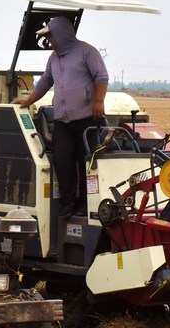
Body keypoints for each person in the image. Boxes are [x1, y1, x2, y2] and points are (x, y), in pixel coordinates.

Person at [13, 16, 109, 219]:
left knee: (87, 163)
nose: (49, 41)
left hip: (86, 119)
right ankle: (68, 203)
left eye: (50, 36)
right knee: (63, 162)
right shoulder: (53, 58)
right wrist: (28, 101)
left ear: (61, 34)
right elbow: (45, 82)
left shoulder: (87, 51)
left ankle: (86, 203)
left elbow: (101, 77)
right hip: (62, 121)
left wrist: (99, 101)